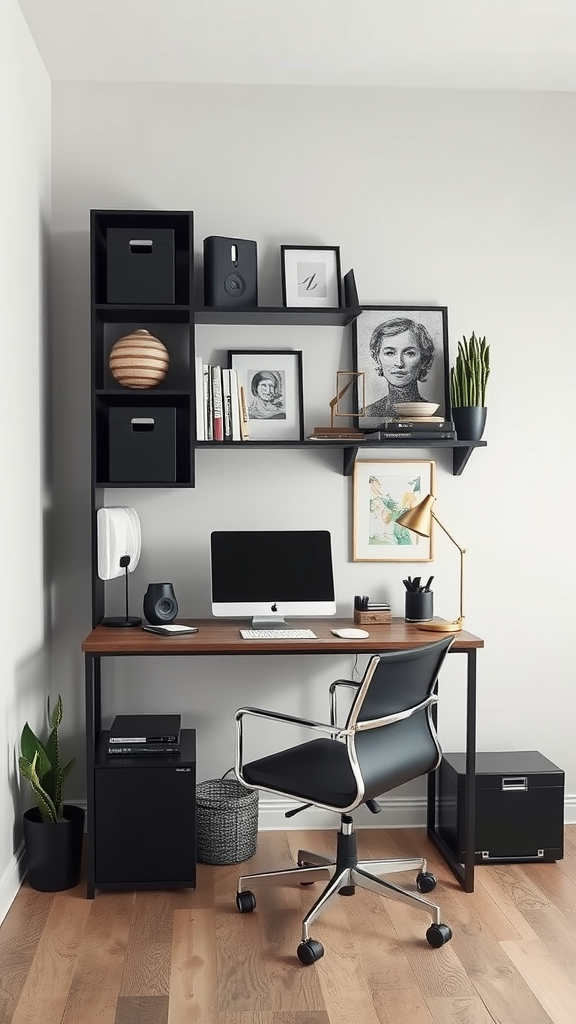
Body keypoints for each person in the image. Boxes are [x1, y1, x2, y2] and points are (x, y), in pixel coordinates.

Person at [366, 317, 435, 418]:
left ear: (424, 360)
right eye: (389, 353)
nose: (399, 363)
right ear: (377, 358)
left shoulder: (433, 414)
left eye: (409, 353)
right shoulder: (368, 413)